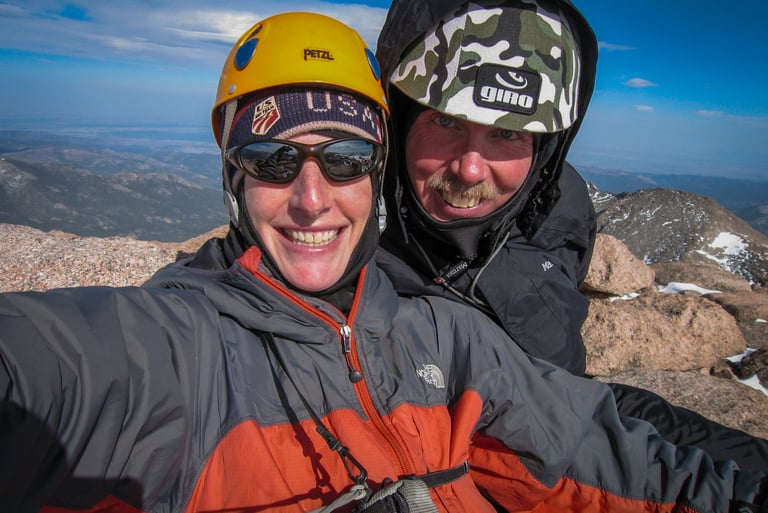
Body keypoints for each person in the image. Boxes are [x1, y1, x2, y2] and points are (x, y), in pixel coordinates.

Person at [0, 10, 766, 513]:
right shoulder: (187, 348)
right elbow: (64, 371)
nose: (310, 197)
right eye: (270, 160)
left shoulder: (442, 334)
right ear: (231, 173)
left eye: (343, 159)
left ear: (374, 171)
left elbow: (597, 447)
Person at [374, 0, 768, 472]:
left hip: (575, 408)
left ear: (543, 146)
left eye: (506, 133)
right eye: (445, 122)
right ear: (399, 118)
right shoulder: (348, 241)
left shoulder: (557, 208)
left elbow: (571, 394)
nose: (470, 168)